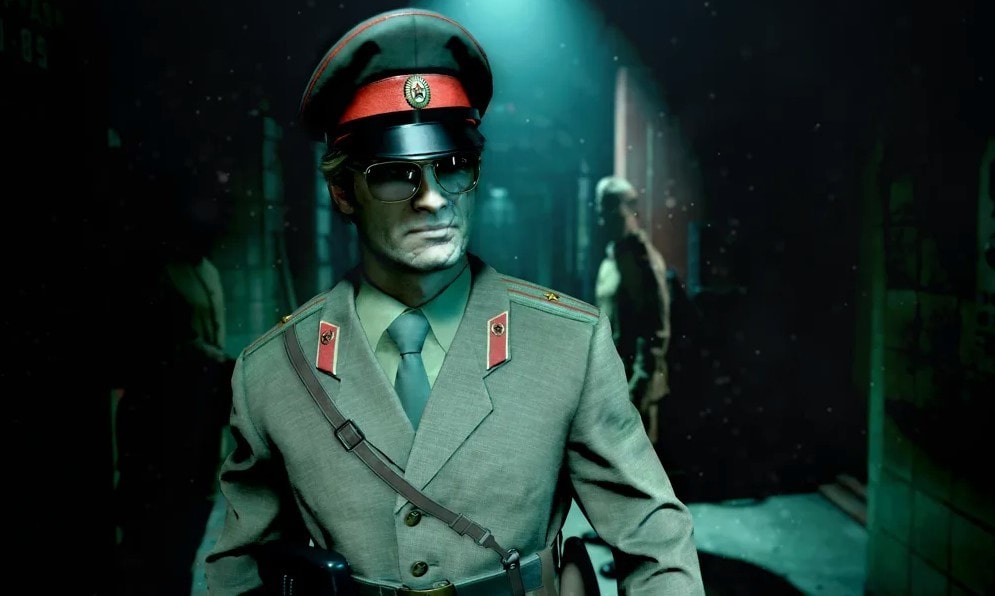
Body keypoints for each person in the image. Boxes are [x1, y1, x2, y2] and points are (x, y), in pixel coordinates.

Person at [204, 8, 704, 596]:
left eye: (453, 167)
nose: (434, 200)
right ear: (342, 191)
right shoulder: (273, 373)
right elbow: (240, 572)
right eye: (395, 175)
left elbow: (654, 537)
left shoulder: (567, 344)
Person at [113, 170, 236, 595]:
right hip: (162, 424)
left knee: (190, 524)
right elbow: (159, 348)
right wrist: (216, 364)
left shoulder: (208, 271)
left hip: (201, 422)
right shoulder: (160, 274)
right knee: (154, 537)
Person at [593, 176, 672, 445]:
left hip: (634, 393)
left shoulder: (642, 262)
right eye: (601, 209)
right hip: (612, 389)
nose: (602, 218)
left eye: (609, 208)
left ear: (629, 210)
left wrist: (636, 392)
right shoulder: (611, 260)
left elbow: (656, 334)